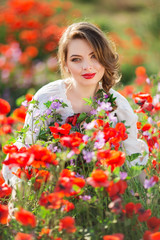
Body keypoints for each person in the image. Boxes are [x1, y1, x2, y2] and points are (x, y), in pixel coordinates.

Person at [2, 22, 148, 186]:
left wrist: (147, 202)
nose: (87, 67)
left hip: (102, 192)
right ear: (65, 64)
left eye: (94, 56)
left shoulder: (118, 105)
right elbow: (26, 146)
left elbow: (134, 161)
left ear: (105, 57)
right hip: (52, 187)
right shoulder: (48, 98)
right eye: (76, 59)